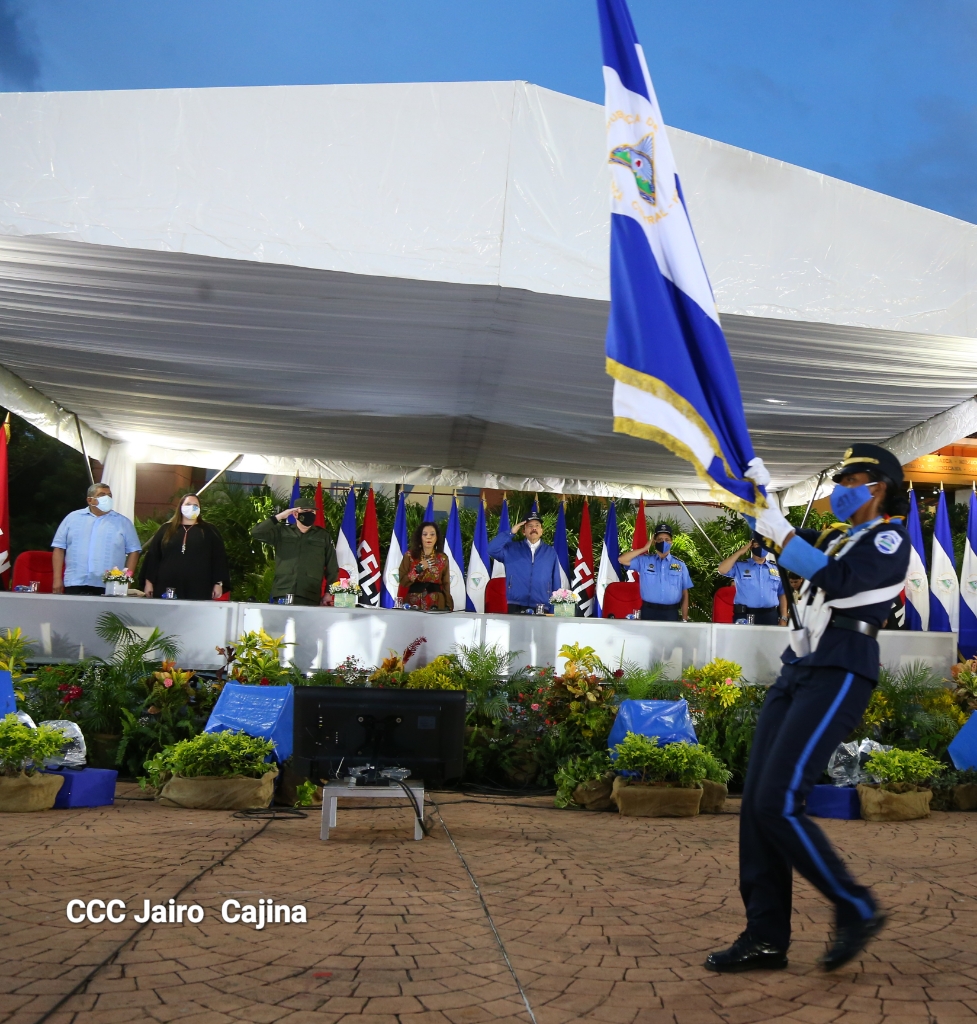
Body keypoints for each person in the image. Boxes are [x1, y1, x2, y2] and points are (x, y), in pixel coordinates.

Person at [706, 444, 909, 975]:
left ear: (878, 486)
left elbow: (839, 581)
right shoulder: (837, 538)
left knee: (778, 800)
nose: (841, 489)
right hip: (800, 666)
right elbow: (787, 544)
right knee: (757, 803)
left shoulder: (889, 539)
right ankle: (765, 936)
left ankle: (855, 905)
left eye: (850, 481)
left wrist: (779, 528)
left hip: (842, 667)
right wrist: (760, 497)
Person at [51, 483, 142, 595]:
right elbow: (59, 548)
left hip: (109, 584)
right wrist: (57, 579)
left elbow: (134, 551)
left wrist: (126, 580)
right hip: (75, 582)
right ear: (90, 500)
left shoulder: (123, 522)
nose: (107, 498)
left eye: (109, 495)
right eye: (102, 495)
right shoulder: (72, 518)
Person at [140, 494, 229, 600]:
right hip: (167, 584)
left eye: (195, 505)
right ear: (181, 507)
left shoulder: (209, 530)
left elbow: (219, 558)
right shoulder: (166, 529)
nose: (192, 507)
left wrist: (218, 583)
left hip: (199, 586)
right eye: (188, 504)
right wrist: (149, 582)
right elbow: (153, 556)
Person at [251, 505, 338, 606]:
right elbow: (256, 532)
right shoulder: (282, 531)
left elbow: (332, 567)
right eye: (306, 510)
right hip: (283, 590)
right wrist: (279, 517)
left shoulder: (323, 536)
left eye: (313, 511)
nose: (310, 514)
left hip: (309, 593)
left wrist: (328, 593)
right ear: (296, 514)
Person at [487, 513, 562, 614]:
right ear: (523, 531)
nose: (534, 528)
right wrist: (511, 533)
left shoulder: (550, 552)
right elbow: (491, 550)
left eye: (537, 525)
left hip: (542, 605)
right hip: (515, 604)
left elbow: (556, 580)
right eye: (530, 526)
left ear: (541, 531)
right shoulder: (511, 549)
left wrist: (554, 609)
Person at [617, 523, 692, 621]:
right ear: (654, 542)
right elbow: (622, 559)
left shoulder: (680, 565)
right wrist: (644, 548)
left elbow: (685, 593)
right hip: (649, 611)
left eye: (667, 539)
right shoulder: (644, 561)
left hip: (671, 613)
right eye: (660, 539)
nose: (664, 542)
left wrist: (685, 618)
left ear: (671, 542)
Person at [716, 533, 788, 626]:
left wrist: (784, 617)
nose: (761, 547)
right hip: (745, 616)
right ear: (751, 545)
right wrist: (740, 552)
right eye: (757, 544)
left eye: (764, 544)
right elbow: (722, 569)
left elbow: (782, 594)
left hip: (770, 616)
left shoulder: (776, 568)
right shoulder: (740, 566)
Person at [398, 521, 453, 610]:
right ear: (420, 537)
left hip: (436, 602)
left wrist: (448, 605)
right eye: (425, 534)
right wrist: (418, 569)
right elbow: (403, 582)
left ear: (437, 537)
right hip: (414, 601)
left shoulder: (443, 558)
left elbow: (446, 584)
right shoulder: (409, 556)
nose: (428, 537)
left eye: (432, 534)